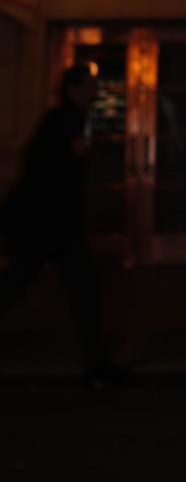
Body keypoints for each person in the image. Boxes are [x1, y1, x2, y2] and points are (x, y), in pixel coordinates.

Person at [0, 61, 116, 385]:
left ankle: (98, 364)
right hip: (48, 226)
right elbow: (44, 175)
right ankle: (98, 366)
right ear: (74, 89)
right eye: (90, 86)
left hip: (50, 226)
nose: (95, 91)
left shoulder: (72, 119)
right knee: (32, 287)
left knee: (28, 286)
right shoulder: (61, 122)